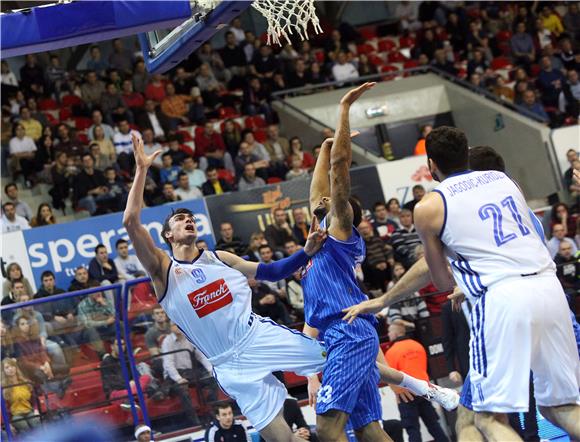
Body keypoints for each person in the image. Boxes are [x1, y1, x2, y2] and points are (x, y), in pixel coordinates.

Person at [345, 127, 580, 439]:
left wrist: (386, 299)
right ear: (466, 152)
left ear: (430, 165)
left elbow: (439, 278)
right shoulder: (504, 182)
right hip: (549, 289)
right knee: (560, 407)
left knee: (488, 419)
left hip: (502, 299)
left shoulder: (430, 205)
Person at [122, 132, 332, 441]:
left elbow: (271, 272)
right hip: (227, 365)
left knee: (334, 355)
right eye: (179, 220)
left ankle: (418, 386)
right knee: (283, 439)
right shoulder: (163, 269)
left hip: (255, 336)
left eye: (189, 217)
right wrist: (141, 170)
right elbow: (130, 221)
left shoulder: (219, 257)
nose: (187, 220)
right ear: (168, 235)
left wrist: (306, 252)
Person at [301, 83, 457, 442]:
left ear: (342, 213)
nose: (321, 198)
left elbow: (339, 172)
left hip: (349, 335)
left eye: (330, 200)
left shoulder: (340, 233)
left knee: (326, 427)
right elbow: (317, 189)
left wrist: (342, 111)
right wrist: (323, 149)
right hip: (342, 336)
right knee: (370, 429)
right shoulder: (318, 238)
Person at [385, 323, 449, 442]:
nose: (388, 334)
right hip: (424, 390)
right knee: (434, 425)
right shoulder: (418, 345)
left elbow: (389, 376)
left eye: (389, 332)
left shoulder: (391, 352)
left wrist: (397, 392)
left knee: (412, 429)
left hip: (406, 394)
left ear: (396, 333)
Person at [1, 358, 41, 433]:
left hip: (29, 411)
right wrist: (9, 424)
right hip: (16, 415)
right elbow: (4, 409)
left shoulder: (25, 382)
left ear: (16, 367)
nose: (10, 369)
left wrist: (36, 410)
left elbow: (34, 399)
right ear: (4, 371)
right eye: (7, 367)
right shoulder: (4, 388)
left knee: (36, 423)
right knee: (25, 426)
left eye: (12, 366)